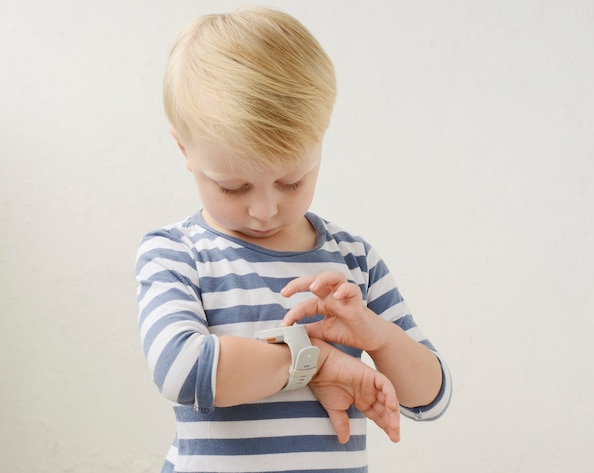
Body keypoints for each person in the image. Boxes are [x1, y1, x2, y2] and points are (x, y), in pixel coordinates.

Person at [135, 6, 452, 473]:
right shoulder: (178, 253)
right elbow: (182, 369)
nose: (264, 209)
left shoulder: (353, 260)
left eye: (292, 181)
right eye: (233, 187)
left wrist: (377, 335)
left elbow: (431, 396)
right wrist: (316, 360)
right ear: (184, 148)